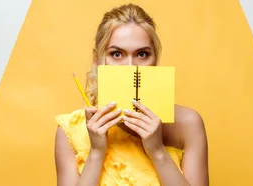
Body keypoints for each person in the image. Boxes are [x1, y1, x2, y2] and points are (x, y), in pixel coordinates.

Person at [54, 3, 209, 186]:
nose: (130, 66)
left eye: (142, 54)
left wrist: (158, 151)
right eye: (117, 54)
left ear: (155, 60)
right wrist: (96, 152)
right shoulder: (69, 133)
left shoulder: (188, 124)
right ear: (98, 61)